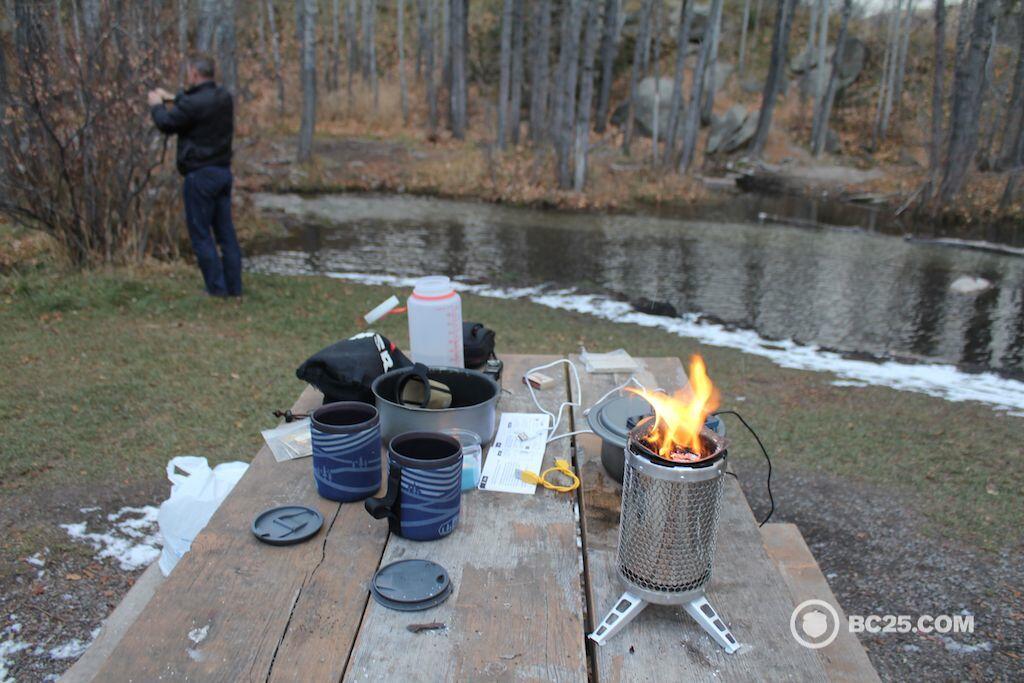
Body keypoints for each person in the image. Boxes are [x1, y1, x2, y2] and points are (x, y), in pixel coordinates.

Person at [148, 54, 241, 298]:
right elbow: (196, 102)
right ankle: (234, 287)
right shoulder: (224, 98)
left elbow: (167, 123)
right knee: (226, 233)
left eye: (189, 73)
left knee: (201, 234)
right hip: (222, 173)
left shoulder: (192, 104)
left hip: (200, 175)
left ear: (194, 74)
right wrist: (172, 96)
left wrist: (157, 104)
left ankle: (216, 289)